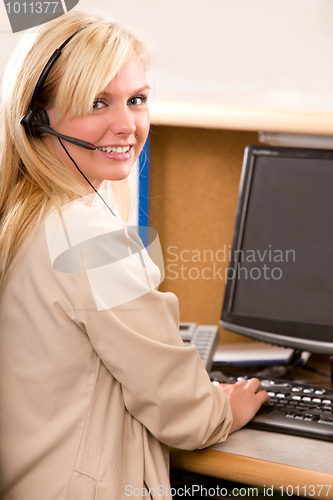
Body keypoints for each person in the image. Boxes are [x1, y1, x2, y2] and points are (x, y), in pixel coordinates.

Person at [0, 11, 269, 499]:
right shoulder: (92, 240)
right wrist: (225, 406)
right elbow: (184, 414)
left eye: (137, 100)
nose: (126, 125)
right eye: (97, 102)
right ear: (37, 117)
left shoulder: (20, 216)